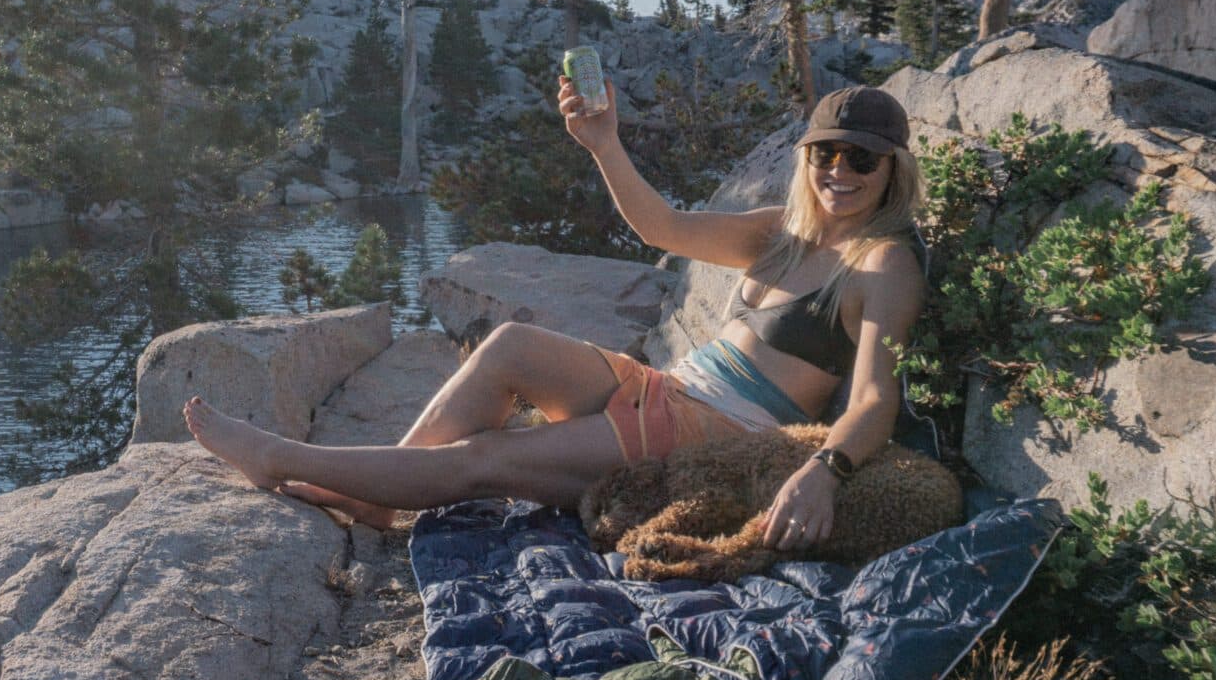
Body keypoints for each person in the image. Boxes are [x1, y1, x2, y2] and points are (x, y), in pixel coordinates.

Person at [185, 77, 926, 552]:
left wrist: (827, 469)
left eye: (862, 159)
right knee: (510, 346)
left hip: (714, 431)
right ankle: (376, 497)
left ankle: (278, 457)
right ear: (807, 157)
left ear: (893, 168)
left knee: (485, 461)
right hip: (665, 389)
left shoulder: (882, 264)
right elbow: (660, 227)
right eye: (827, 152)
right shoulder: (781, 232)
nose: (840, 172)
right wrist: (602, 142)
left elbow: (872, 396)